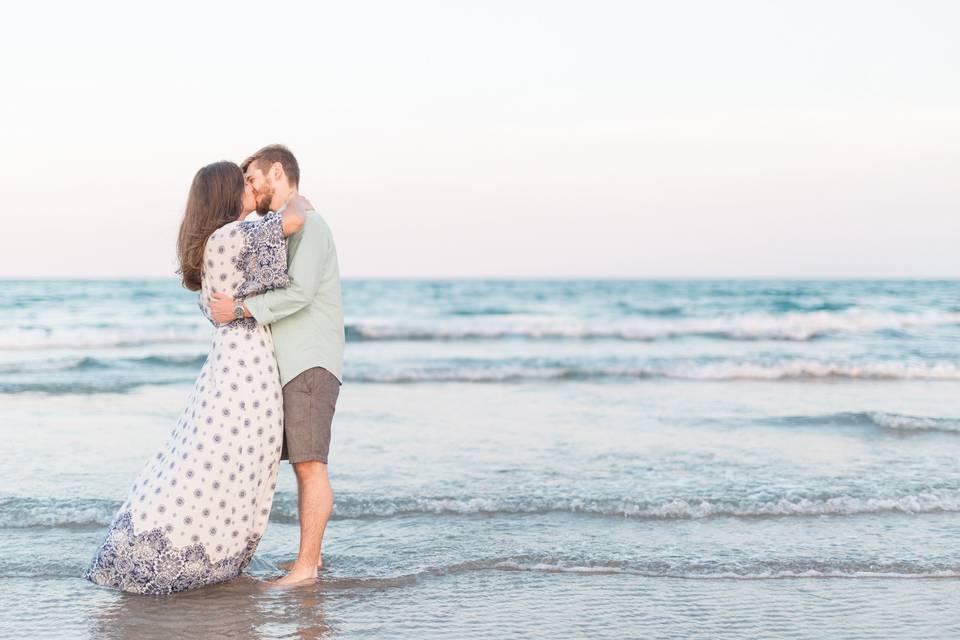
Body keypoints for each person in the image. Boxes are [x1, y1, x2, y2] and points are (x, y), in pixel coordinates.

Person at [83, 161, 309, 594]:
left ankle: (200, 556)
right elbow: (298, 214)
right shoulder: (228, 237)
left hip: (234, 364)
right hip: (244, 369)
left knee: (213, 464)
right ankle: (185, 559)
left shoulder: (219, 241)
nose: (251, 188)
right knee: (218, 466)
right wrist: (285, 187)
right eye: (243, 183)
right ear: (227, 194)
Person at [210, 144, 344, 587]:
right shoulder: (285, 225)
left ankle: (306, 568)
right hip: (291, 365)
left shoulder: (313, 227)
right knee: (300, 465)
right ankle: (308, 561)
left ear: (277, 172)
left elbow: (300, 294)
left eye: (252, 179)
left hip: (309, 361)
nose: (248, 188)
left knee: (310, 465)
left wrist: (241, 309)